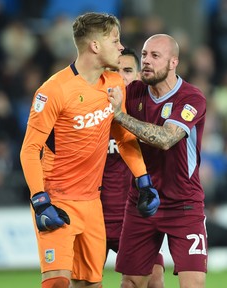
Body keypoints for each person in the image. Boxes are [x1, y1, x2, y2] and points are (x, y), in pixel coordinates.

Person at [20, 12, 160, 288]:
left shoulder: (114, 84)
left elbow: (122, 137)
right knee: (57, 281)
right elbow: (29, 149)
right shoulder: (54, 91)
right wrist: (40, 201)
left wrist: (143, 181)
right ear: (95, 46)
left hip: (92, 202)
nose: (121, 48)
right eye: (115, 40)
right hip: (57, 199)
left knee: (90, 285)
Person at [108, 34, 208, 288]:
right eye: (144, 55)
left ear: (173, 62)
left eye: (155, 56)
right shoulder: (133, 92)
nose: (147, 62)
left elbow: (165, 139)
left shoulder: (191, 98)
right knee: (131, 283)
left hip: (183, 203)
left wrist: (121, 116)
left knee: (193, 284)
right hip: (143, 200)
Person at [101, 47, 165, 288]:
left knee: (154, 281)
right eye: (113, 70)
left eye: (127, 70)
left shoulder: (147, 115)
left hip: (134, 217)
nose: (120, 76)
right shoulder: (89, 114)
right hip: (94, 217)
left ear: (139, 75)